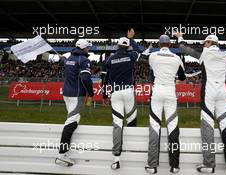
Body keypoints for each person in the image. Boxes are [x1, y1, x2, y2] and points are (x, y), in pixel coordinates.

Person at [174, 32, 226, 174]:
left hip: (209, 94)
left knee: (207, 128)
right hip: (222, 94)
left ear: (210, 43)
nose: (204, 44)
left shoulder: (204, 53)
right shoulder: (225, 55)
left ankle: (209, 164)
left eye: (205, 42)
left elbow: (184, 48)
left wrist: (180, 36)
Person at [145, 35, 186, 174]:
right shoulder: (176, 58)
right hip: (170, 92)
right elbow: (182, 77)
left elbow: (143, 58)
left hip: (157, 92)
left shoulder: (153, 56)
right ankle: (174, 166)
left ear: (159, 44)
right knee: (173, 128)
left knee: (155, 127)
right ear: (169, 44)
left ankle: (152, 165)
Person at [103, 28, 140, 170]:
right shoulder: (131, 56)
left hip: (115, 93)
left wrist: (105, 95)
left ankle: (116, 158)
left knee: (118, 124)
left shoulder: (109, 59)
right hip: (128, 92)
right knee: (131, 120)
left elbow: (105, 79)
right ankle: (132, 152)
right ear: (127, 46)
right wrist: (131, 38)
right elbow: (137, 51)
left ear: (118, 46)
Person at [55, 39, 94, 167]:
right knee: (72, 121)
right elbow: (85, 78)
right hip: (77, 95)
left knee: (72, 119)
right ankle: (62, 155)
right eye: (88, 47)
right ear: (83, 49)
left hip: (67, 94)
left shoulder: (69, 58)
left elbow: (64, 62)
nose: (89, 49)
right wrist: (91, 93)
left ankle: (64, 153)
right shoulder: (84, 60)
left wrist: (61, 59)